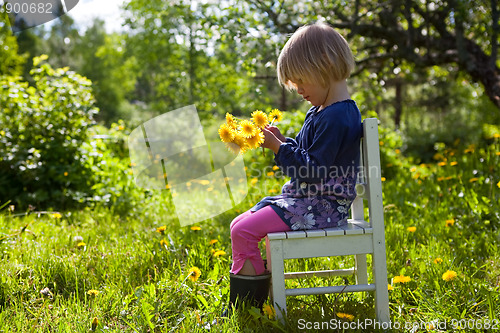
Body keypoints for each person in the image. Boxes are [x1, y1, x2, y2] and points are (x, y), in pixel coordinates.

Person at [226, 21, 362, 312]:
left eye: (301, 81)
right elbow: (305, 154)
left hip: (321, 208)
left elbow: (312, 172)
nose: (298, 90)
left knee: (243, 231)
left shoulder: (337, 116)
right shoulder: (322, 112)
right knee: (238, 225)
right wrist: (282, 140)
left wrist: (279, 148)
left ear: (324, 66)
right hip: (308, 203)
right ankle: (254, 299)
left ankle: (248, 307)